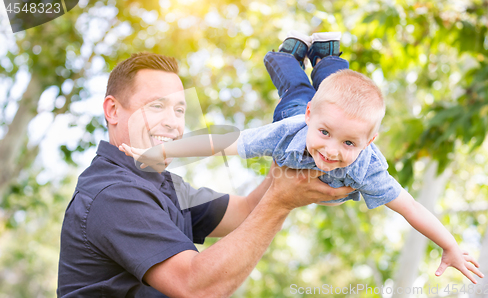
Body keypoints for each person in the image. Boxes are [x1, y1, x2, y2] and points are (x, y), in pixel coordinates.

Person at [121, 32, 484, 284]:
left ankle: (326, 52)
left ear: (370, 142)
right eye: (326, 134)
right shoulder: (291, 127)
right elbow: (218, 142)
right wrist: (160, 152)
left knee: (336, 91)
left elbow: (412, 207)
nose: (331, 151)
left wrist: (449, 245)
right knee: (297, 89)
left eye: (349, 143)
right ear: (313, 117)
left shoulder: (367, 167)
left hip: (321, 115)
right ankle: (288, 56)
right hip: (295, 118)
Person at [56, 52, 353, 297]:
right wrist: (281, 201)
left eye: (179, 110)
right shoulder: (113, 194)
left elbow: (248, 210)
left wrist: (297, 154)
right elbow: (197, 287)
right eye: (157, 106)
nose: (173, 123)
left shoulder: (162, 184)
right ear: (113, 110)